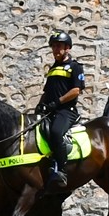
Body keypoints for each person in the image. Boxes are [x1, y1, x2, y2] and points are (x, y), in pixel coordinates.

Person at [36, 31, 85, 188]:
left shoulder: (74, 67)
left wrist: (57, 102)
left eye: (59, 46)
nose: (56, 49)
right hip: (51, 110)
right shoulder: (52, 69)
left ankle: (62, 171)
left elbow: (76, 90)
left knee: (56, 132)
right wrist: (40, 105)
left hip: (66, 111)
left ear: (67, 48)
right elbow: (46, 91)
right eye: (54, 46)